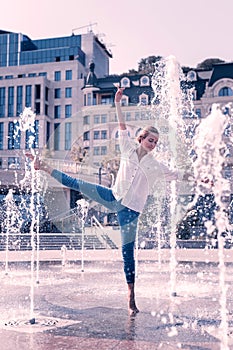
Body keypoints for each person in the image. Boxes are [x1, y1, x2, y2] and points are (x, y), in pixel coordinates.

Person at [26, 87, 184, 316]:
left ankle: (131, 295)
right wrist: (118, 103)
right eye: (150, 140)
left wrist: (201, 177)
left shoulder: (156, 165)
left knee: (127, 252)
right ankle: (43, 166)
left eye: (156, 142)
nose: (153, 144)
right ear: (141, 138)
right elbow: (121, 126)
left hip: (130, 211)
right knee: (76, 183)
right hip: (113, 196)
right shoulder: (128, 147)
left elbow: (177, 174)